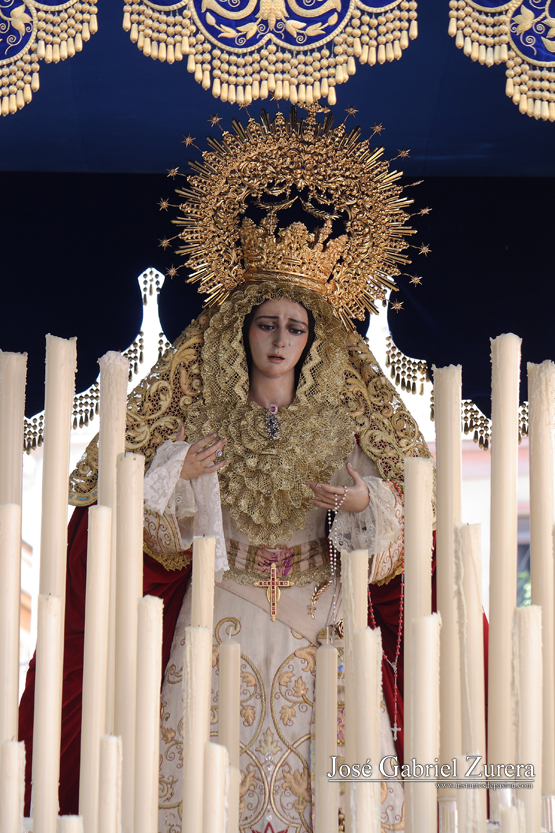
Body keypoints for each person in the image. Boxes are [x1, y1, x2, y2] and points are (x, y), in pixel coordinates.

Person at [20, 107, 433, 831]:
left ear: (313, 339)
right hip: (222, 613)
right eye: (266, 323)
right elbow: (148, 531)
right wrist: (175, 473)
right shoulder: (199, 415)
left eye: (295, 327)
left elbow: (402, 538)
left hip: (322, 619)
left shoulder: (347, 420)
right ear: (242, 329)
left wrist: (365, 501)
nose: (279, 339)